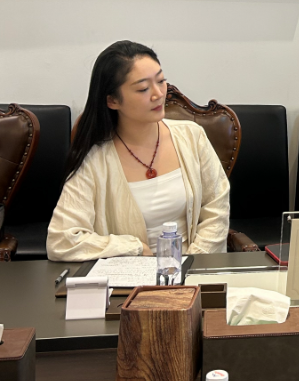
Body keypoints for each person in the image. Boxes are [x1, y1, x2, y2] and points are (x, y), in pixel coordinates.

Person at [47, 41, 230, 262]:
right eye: (143, 89)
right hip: (128, 277)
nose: (158, 94)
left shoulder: (192, 136)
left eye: (161, 81)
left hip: (193, 270)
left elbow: (216, 208)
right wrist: (132, 248)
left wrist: (191, 263)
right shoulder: (95, 159)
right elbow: (62, 240)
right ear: (112, 100)